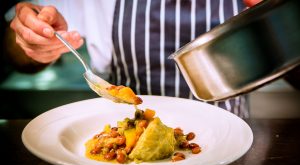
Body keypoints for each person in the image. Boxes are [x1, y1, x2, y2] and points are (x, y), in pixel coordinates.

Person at [6, 0, 262, 118]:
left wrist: (283, 18)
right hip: (124, 148)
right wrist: (33, 37)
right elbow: (15, 56)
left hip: (229, 144)